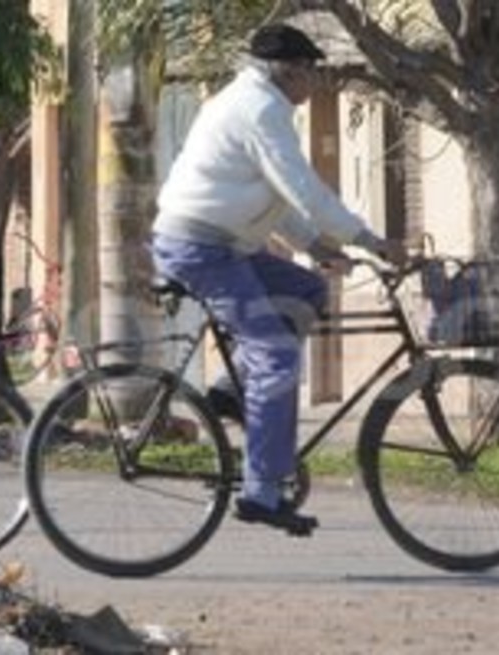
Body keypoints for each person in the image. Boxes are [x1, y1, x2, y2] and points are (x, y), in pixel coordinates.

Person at [151, 24, 406, 535]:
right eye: (313, 69)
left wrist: (314, 246)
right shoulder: (261, 109)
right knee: (278, 356)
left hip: (221, 245)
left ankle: (229, 391)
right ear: (290, 69)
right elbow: (303, 189)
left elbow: (277, 195)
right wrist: (369, 240)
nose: (316, 81)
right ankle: (262, 490)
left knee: (307, 289)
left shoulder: (252, 103)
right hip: (202, 249)